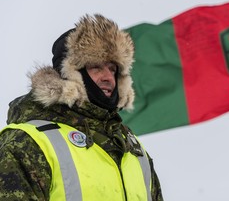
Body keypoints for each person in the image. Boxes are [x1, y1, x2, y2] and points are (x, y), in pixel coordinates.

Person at [0, 14, 163, 201]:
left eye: (112, 68)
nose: (108, 77)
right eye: (96, 66)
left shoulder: (134, 150)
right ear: (70, 74)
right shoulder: (28, 142)